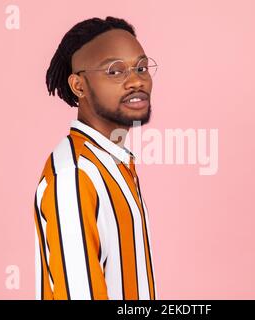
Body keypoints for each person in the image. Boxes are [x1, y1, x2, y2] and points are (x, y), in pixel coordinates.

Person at [33, 16, 158, 300]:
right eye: (115, 71)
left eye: (141, 67)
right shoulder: (75, 176)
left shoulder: (113, 163)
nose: (136, 80)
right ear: (79, 86)